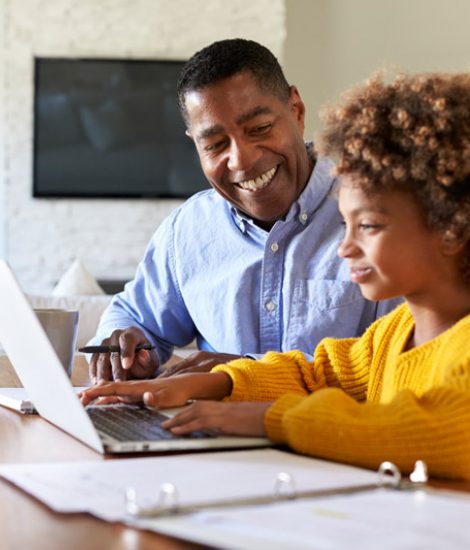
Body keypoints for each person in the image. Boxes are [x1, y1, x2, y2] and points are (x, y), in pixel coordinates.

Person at [82, 72, 470, 480]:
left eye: (368, 226)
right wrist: (218, 383)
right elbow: (316, 373)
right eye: (344, 224)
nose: (344, 247)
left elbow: (424, 429)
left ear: (452, 227)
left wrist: (269, 418)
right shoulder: (394, 332)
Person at [88, 38, 399, 383]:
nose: (242, 160)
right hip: (209, 434)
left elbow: (396, 363)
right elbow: (133, 316)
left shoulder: (374, 216)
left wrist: (243, 376)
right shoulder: (188, 229)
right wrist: (127, 347)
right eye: (215, 145)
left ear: (296, 111)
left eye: (260, 129)